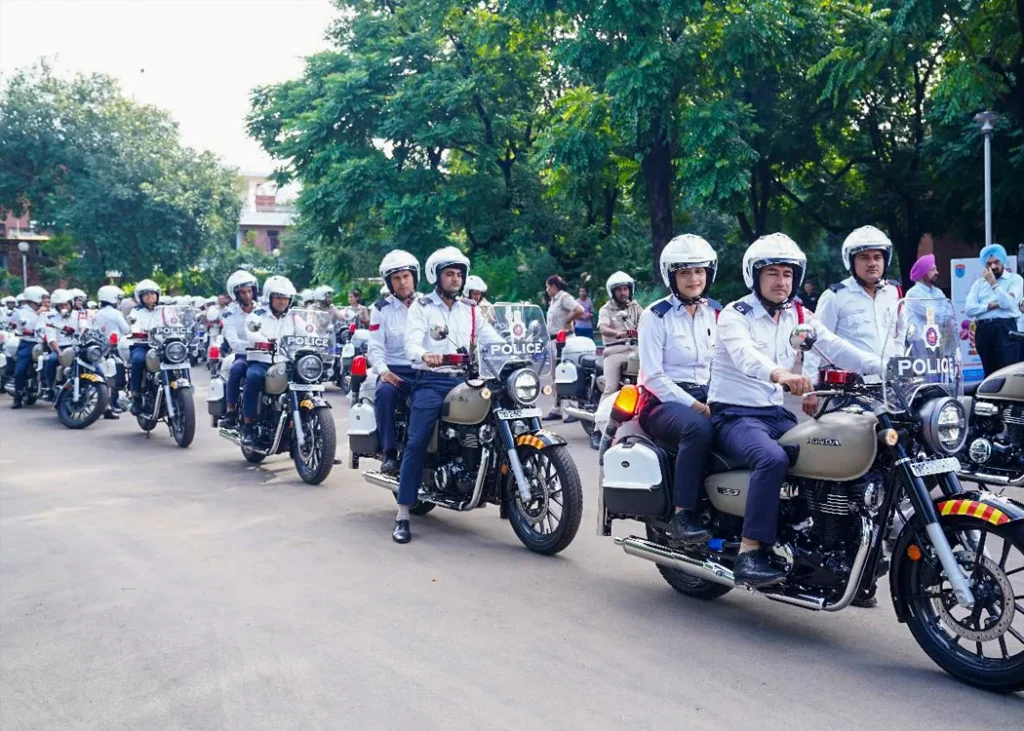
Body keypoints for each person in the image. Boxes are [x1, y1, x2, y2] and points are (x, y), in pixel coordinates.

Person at [709, 233, 881, 587]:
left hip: (775, 415)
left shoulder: (799, 314)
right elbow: (745, 356)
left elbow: (837, 347)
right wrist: (781, 375)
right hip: (735, 414)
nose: (781, 282)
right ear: (754, 276)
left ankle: (823, 546)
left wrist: (888, 367)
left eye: (787, 274)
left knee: (828, 453)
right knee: (772, 459)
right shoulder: (734, 314)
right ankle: (750, 551)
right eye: (772, 273)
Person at [395, 246, 501, 544]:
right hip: (432, 380)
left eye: (459, 274)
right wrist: (425, 354)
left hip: (467, 379)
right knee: (417, 441)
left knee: (500, 419)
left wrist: (512, 353)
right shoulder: (422, 307)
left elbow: (491, 338)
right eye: (450, 274)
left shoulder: (470, 309)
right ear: (436, 277)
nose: (456, 279)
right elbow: (411, 343)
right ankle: (403, 513)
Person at [637, 236, 718, 546]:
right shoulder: (655, 316)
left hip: (708, 394)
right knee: (697, 429)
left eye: (699, 271)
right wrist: (697, 407)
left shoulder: (716, 313)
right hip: (661, 402)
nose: (694, 279)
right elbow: (653, 377)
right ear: (671, 276)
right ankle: (682, 514)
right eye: (685, 272)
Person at [804, 226, 901, 416]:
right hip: (851, 389)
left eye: (877, 257)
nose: (872, 263)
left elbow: (898, 337)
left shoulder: (893, 293)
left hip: (889, 385)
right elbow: (815, 342)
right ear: (851, 262)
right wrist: (811, 389)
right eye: (864, 258)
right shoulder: (835, 296)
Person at [368, 250, 421, 476]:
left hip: (424, 371)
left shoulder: (428, 305)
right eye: (396, 278)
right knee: (384, 393)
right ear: (389, 283)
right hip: (395, 372)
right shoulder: (381, 309)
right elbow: (375, 347)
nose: (402, 282)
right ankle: (389, 452)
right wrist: (383, 371)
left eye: (406, 276)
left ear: (414, 277)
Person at [242, 275, 299, 446]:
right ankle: (248, 426)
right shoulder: (256, 315)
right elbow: (252, 333)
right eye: (279, 297)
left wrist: (317, 341)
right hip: (262, 360)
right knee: (254, 378)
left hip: (286, 362)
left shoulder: (294, 317)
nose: (283, 302)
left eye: (286, 298)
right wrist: (264, 342)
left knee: (308, 380)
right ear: (269, 297)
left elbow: (308, 333)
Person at [965, 243, 1024, 374]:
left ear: (1003, 261)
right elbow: (969, 309)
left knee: (1008, 372)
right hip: (984, 330)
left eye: (996, 262)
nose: (993, 267)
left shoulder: (1014, 280)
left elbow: (1008, 303)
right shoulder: (979, 284)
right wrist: (989, 306)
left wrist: (993, 284)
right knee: (989, 373)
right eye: (989, 264)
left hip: (1005, 328)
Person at [219, 270, 260, 429]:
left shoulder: (263, 310)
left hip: (267, 356)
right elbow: (234, 343)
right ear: (235, 294)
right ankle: (231, 411)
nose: (247, 295)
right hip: (244, 356)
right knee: (236, 369)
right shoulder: (230, 314)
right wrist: (255, 345)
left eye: (250, 291)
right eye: (243, 292)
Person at [598, 271, 643, 410]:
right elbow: (603, 328)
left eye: (625, 289)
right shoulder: (606, 309)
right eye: (618, 289)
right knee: (610, 387)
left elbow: (647, 320)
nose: (623, 293)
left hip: (636, 350)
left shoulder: (635, 307)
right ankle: (600, 420)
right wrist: (617, 333)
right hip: (614, 351)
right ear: (612, 292)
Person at [543, 275, 584, 421]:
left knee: (567, 374)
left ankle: (574, 409)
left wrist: (568, 320)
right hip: (553, 340)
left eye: (548, 286)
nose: (547, 289)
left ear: (554, 286)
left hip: (564, 340)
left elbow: (579, 309)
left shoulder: (564, 297)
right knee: (555, 376)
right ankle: (557, 408)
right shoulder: (553, 301)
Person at [127, 280, 164, 414]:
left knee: (179, 357)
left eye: (153, 294)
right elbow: (133, 323)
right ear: (140, 297)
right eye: (146, 294)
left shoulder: (163, 310)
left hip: (162, 345)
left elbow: (174, 322)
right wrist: (137, 331)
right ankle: (135, 396)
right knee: (138, 360)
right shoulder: (136, 311)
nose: (150, 297)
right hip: (142, 344)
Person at [93, 285, 131, 418]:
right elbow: (126, 330)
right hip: (114, 348)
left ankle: (105, 404)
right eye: (118, 299)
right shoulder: (116, 313)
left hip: (98, 349)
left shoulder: (97, 313)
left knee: (102, 374)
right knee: (114, 377)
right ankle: (112, 403)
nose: (119, 302)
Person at [10, 286, 49, 408]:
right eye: (42, 298)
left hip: (46, 342)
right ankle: (17, 396)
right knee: (20, 369)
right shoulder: (21, 312)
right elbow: (18, 325)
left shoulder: (48, 310)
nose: (44, 301)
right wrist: (38, 314)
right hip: (29, 343)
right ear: (35, 298)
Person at [42, 289, 78, 400]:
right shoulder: (51, 319)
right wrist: (59, 352)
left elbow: (85, 329)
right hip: (60, 348)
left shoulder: (79, 316)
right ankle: (50, 388)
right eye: (60, 305)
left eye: (66, 304)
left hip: (77, 347)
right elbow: (51, 338)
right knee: (51, 360)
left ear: (71, 303)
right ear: (56, 307)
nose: (63, 307)